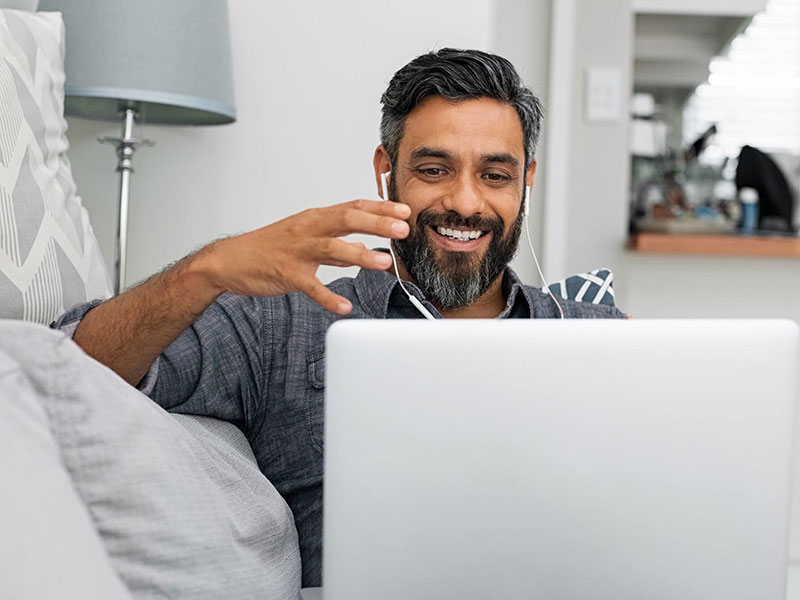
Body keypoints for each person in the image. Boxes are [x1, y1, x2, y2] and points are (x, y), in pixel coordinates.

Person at [53, 48, 626, 587]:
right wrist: (207, 269)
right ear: (387, 170)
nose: (467, 203)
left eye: (495, 176)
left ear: (525, 180)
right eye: (434, 169)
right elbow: (65, 373)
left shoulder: (605, 340)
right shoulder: (283, 323)